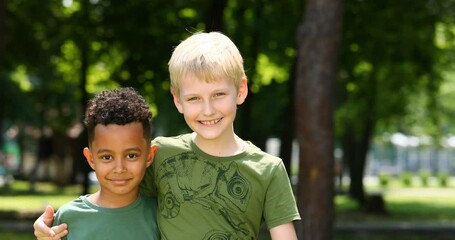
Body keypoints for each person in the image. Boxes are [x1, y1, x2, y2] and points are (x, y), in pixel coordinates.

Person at [34, 31, 300, 240]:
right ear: (178, 100)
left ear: (240, 90)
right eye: (194, 98)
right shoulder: (161, 154)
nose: (208, 110)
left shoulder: (268, 169)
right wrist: (51, 224)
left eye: (218, 94)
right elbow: (116, 193)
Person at [36, 87, 160, 240]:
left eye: (131, 155)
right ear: (90, 158)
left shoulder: (162, 216)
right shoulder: (68, 219)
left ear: (149, 156)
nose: (119, 168)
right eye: (107, 157)